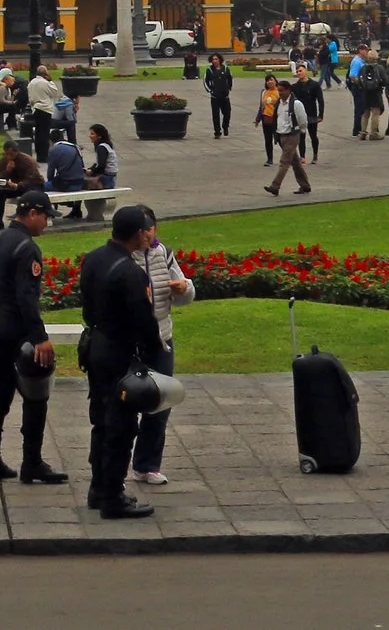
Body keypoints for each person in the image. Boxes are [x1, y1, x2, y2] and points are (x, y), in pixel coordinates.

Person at [0, 189, 66, 484]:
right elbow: (26, 297)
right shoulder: (27, 249)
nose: (47, 224)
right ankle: (32, 462)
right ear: (31, 214)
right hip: (17, 335)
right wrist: (40, 337)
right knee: (35, 396)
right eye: (45, 217)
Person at [79, 205, 161, 518]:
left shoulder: (94, 259)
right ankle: (113, 496)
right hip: (118, 352)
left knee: (100, 420)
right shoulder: (131, 272)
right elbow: (143, 320)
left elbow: (86, 304)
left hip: (96, 345)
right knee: (121, 425)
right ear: (138, 233)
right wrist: (154, 349)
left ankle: (98, 488)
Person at [129, 207, 195, 487]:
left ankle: (147, 464)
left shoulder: (163, 253)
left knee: (160, 402)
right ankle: (116, 463)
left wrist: (184, 288)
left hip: (161, 338)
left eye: (150, 229)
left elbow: (183, 294)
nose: (146, 235)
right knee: (126, 402)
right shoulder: (124, 256)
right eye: (141, 230)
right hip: (131, 341)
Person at [265, 87, 312, 195]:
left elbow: (302, 119)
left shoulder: (296, 104)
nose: (280, 93)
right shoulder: (279, 104)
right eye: (279, 91)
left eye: (282, 90)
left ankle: (275, 186)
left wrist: (302, 131)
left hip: (292, 135)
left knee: (284, 161)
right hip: (282, 136)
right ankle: (305, 185)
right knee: (295, 162)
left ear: (288, 91)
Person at [0, 141, 45, 229]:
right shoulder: (4, 161)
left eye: (11, 154)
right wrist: (7, 171)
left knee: (29, 193)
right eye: (6, 154)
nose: (9, 157)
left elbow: (33, 178)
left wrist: (18, 185)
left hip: (33, 185)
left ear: (16, 152)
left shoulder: (26, 160)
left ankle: (24, 220)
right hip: (16, 186)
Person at [203, 53, 233, 138]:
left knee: (227, 113)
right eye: (213, 59)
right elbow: (205, 81)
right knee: (215, 115)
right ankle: (217, 132)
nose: (215, 61)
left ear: (220, 59)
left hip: (225, 96)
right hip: (215, 96)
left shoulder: (226, 68)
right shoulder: (209, 70)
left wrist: (229, 88)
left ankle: (225, 126)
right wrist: (210, 91)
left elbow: (230, 78)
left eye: (216, 59)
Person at [257, 73, 281, 165]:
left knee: (280, 139)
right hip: (266, 118)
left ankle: (289, 157)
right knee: (268, 140)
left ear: (275, 81)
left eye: (271, 79)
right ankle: (269, 159)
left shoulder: (279, 91)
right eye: (267, 80)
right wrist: (258, 118)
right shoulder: (264, 92)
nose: (269, 82)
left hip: (277, 119)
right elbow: (261, 106)